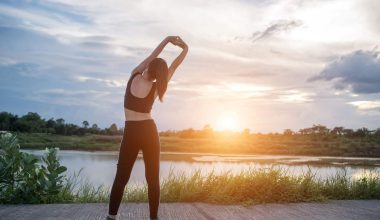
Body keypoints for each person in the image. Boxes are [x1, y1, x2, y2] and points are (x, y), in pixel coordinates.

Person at [107, 36, 188, 220]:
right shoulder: (157, 87)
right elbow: (174, 67)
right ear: (160, 74)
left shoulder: (134, 74)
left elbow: (154, 54)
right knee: (152, 179)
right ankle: (153, 218)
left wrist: (167, 40)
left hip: (131, 131)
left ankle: (111, 217)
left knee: (121, 178)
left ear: (148, 66)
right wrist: (185, 49)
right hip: (149, 131)